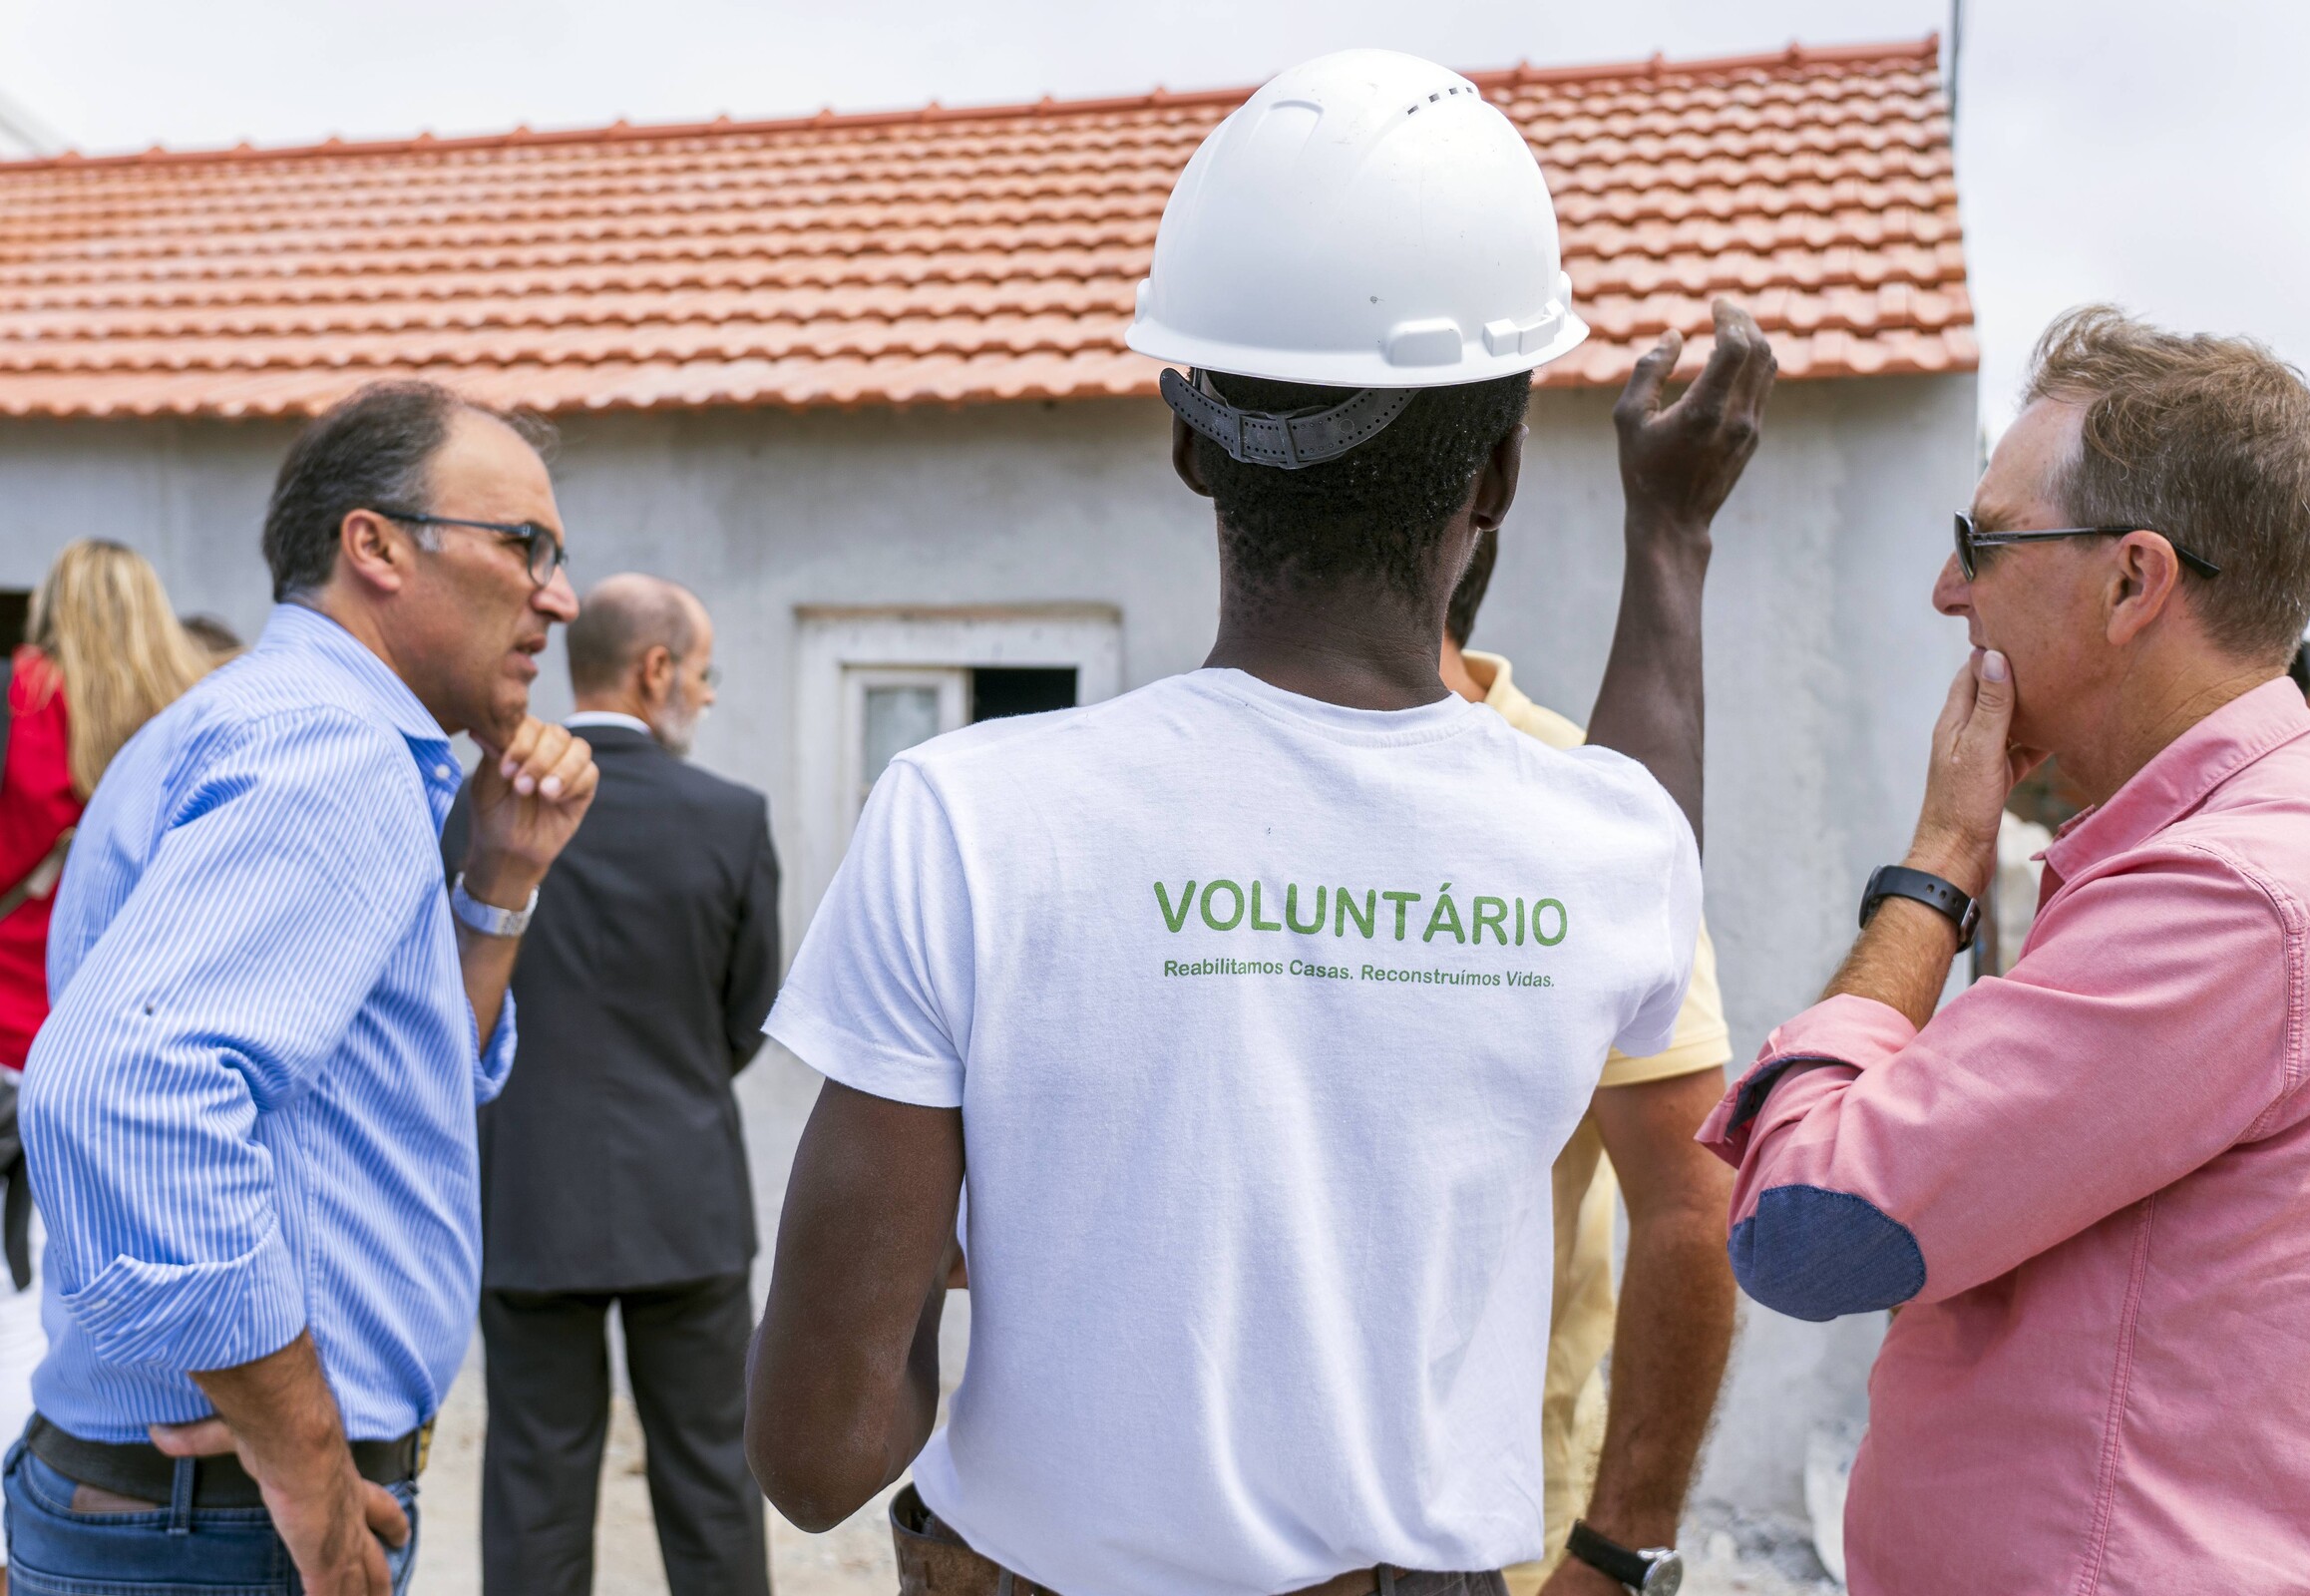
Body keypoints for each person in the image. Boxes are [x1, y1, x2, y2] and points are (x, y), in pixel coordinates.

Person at [746, 50, 1773, 1596]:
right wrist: (1671, 535)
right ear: (1497, 472)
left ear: (1186, 442)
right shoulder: (1600, 853)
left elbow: (817, 1450)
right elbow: (1634, 836)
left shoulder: (966, 819)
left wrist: (969, 1255)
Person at [1698, 307, 2310, 1591]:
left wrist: (1935, 872)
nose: (1949, 589)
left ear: (2135, 581)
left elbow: (1809, 1229)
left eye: (1985, 541)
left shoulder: (2227, 899)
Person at [9, 378, 597, 1596]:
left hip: (200, 1512)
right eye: (526, 544)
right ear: (373, 545)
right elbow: (132, 1090)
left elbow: (396, 1099)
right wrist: (311, 1474)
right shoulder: (327, 747)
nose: (560, 594)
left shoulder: (265, 726)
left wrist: (501, 877)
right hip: (227, 1527)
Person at [444, 573, 779, 1596]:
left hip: (531, 1193)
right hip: (688, 1199)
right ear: (656, 668)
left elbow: (458, 987)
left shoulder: (485, 802)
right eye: (707, 671)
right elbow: (746, 1010)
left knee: (534, 1475)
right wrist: (676, 1086)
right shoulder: (730, 816)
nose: (712, 694)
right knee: (715, 1478)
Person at [1438, 534, 1736, 1593]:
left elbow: (1693, 1197)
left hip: (1505, 1541)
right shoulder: (1181, 783)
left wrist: (1617, 1549)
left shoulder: (1573, 798)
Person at [0, 542, 207, 1593]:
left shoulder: (18, 701)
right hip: (126, 1053)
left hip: (7, 1041)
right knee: (95, 1294)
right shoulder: (190, 715)